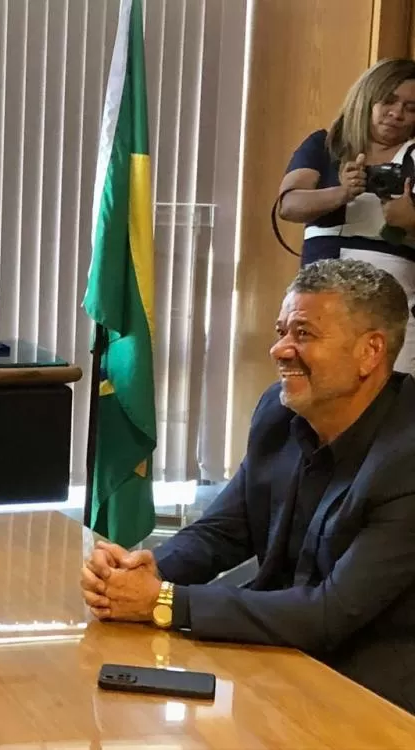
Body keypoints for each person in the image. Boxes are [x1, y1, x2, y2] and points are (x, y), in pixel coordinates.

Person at [80, 259, 415, 714]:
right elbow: (224, 530)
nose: (279, 349)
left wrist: (163, 601)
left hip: (371, 692)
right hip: (274, 663)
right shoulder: (279, 415)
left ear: (370, 352)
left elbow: (330, 613)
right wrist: (147, 570)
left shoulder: (406, 455)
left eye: (303, 334)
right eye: (281, 331)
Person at [277, 58, 415, 371]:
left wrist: (410, 222)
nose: (397, 114)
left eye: (411, 107)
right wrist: (342, 192)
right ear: (367, 97)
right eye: (388, 101)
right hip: (320, 290)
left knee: (392, 396)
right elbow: (288, 205)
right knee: (315, 380)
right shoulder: (326, 145)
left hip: (394, 294)